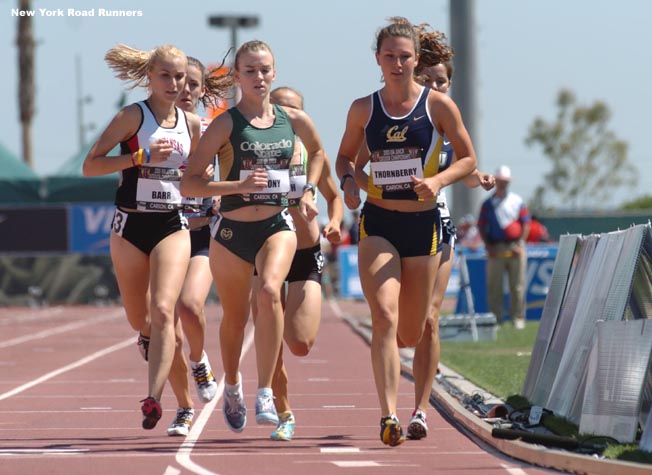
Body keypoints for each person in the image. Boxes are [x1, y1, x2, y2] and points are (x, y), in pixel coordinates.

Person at [335, 17, 477, 446]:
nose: (397, 64)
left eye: (404, 56)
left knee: (415, 331)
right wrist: (350, 184)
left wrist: (436, 182)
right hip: (379, 222)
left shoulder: (437, 106)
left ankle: (421, 406)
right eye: (389, 56)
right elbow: (345, 159)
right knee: (383, 316)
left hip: (425, 224)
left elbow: (468, 159)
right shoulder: (364, 108)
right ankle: (389, 415)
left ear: (417, 60)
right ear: (378, 59)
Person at [180, 40, 325, 434]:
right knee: (235, 318)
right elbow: (190, 183)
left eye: (264, 70)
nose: (258, 77)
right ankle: (232, 384)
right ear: (238, 77)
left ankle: (265, 391)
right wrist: (234, 185)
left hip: (277, 225)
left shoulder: (291, 119)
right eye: (250, 71)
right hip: (230, 232)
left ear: (274, 73)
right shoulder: (225, 124)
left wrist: (309, 189)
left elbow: (318, 154)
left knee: (269, 293)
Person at [83, 44, 200, 430]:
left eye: (179, 76)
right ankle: (176, 388)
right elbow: (90, 166)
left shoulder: (192, 125)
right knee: (141, 320)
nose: (174, 83)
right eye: (165, 75)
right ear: (149, 76)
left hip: (171, 225)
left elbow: (196, 180)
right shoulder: (132, 117)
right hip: (130, 228)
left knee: (166, 310)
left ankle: (153, 398)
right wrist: (136, 159)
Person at [403, 23, 495, 441]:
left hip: (436, 226)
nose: (436, 86)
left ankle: (421, 409)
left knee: (430, 322)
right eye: (429, 79)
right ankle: (389, 394)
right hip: (389, 224)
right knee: (398, 323)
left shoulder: (448, 124)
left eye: (443, 81)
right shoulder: (395, 114)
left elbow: (468, 169)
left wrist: (480, 179)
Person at [249, 86, 343, 441]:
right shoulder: (257, 151)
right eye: (279, 107)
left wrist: (333, 223)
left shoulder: (311, 155)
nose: (285, 114)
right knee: (270, 338)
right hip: (265, 252)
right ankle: (284, 411)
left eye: (293, 109)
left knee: (300, 342)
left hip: (304, 253)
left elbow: (335, 198)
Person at [165, 56, 233, 436]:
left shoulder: (215, 130)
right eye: (180, 82)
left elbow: (234, 174)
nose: (185, 90)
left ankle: (199, 359)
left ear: (203, 89)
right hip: (160, 235)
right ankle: (183, 408)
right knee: (164, 329)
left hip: (202, 233)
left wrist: (222, 194)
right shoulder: (152, 130)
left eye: (193, 84)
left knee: (190, 306)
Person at [478, 165, 531, 329]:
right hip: (496, 248)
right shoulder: (488, 204)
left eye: (505, 181)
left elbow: (526, 224)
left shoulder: (517, 201)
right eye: (500, 181)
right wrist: (488, 246)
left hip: (515, 247)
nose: (502, 184)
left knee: (517, 285)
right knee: (495, 286)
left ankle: (518, 317)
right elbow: (481, 226)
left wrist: (520, 244)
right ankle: (496, 318)